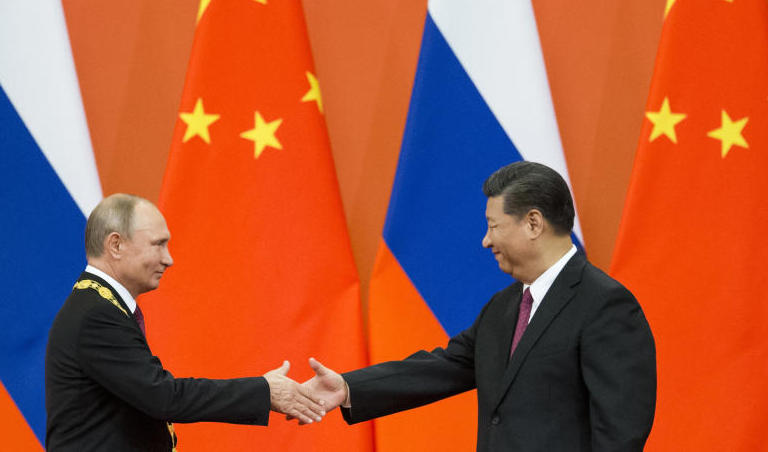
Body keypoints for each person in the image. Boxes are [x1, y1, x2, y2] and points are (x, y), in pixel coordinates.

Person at [302, 161, 657, 451]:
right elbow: (443, 367)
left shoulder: (604, 304)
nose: (486, 240)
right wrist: (348, 388)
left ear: (533, 223)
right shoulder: (503, 307)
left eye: (493, 226)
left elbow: (620, 433)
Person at [45, 193, 324, 451]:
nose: (169, 259)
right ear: (115, 245)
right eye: (158, 245)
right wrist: (264, 391)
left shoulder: (97, 305)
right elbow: (165, 397)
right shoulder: (97, 314)